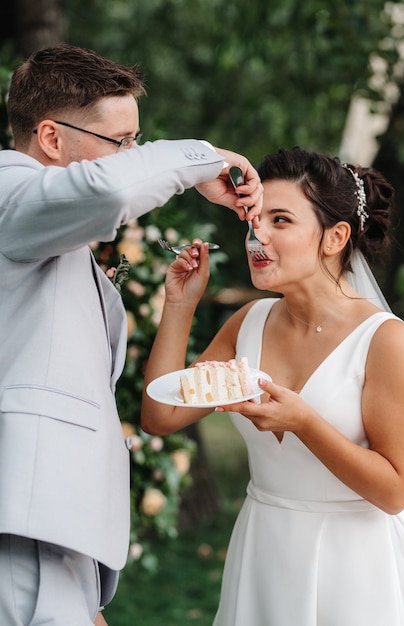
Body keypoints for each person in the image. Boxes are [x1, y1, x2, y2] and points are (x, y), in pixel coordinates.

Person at [0, 43, 263, 626]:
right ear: (50, 138)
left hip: (50, 528)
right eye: (121, 143)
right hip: (20, 528)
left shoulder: (48, 231)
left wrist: (84, 593)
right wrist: (206, 160)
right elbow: (110, 191)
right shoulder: (8, 193)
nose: (131, 156)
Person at [142, 147, 404, 625]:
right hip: (264, 547)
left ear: (334, 237)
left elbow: (395, 491)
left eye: (280, 220)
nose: (257, 235)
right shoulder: (250, 322)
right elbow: (161, 416)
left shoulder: (386, 340)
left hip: (352, 564)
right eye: (254, 218)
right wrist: (180, 306)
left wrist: (306, 423)